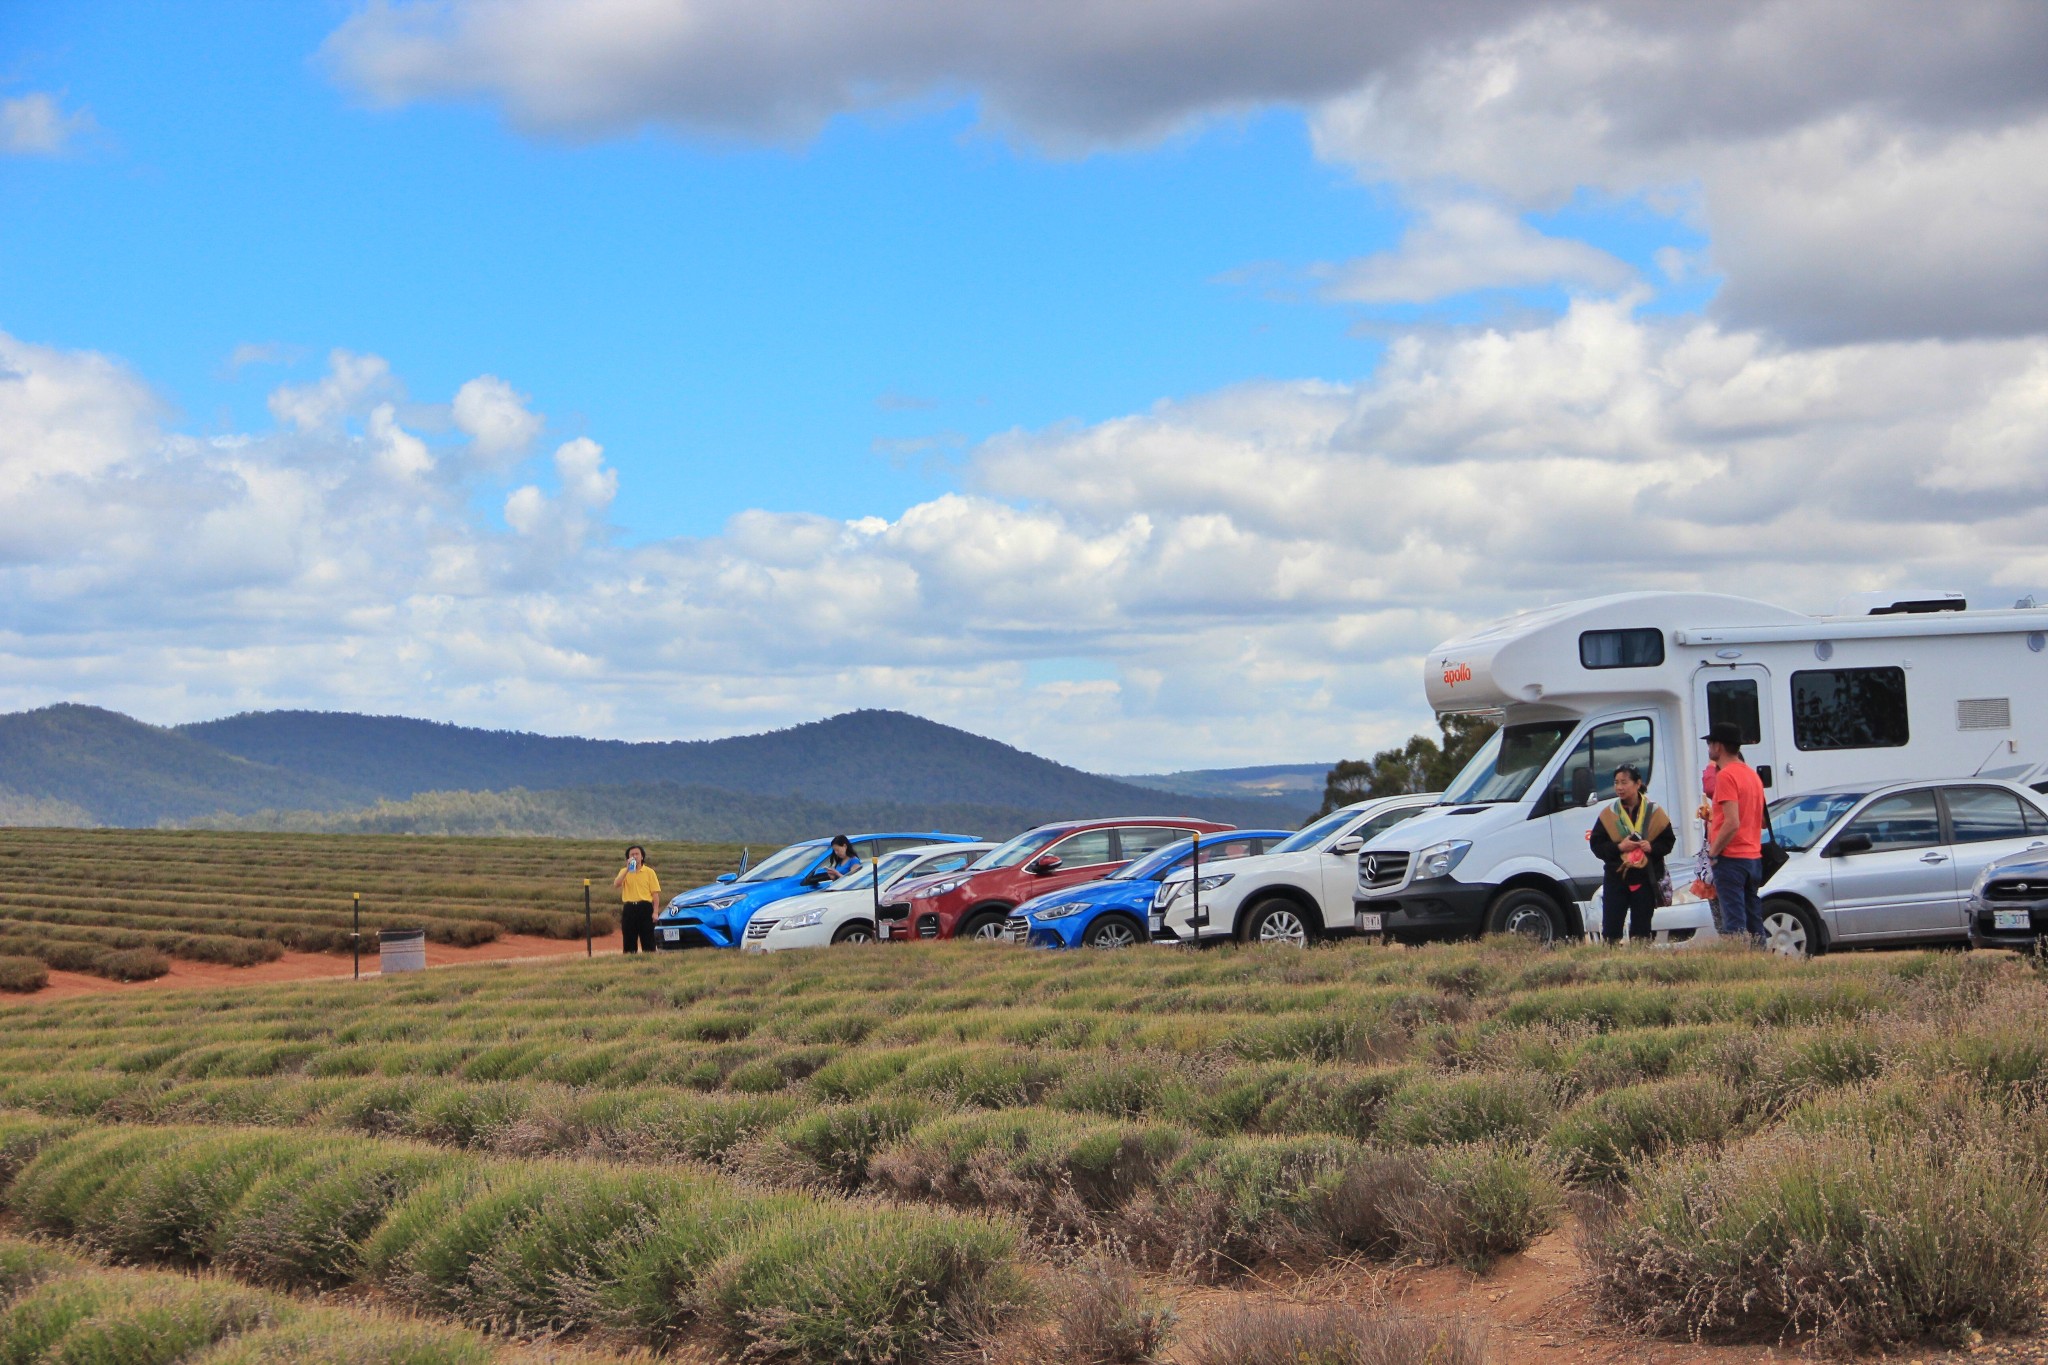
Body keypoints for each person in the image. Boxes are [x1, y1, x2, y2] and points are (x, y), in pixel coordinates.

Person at [1588, 763, 1674, 943]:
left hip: (1645, 877)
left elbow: (1668, 841)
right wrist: (1620, 847)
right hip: (1616, 876)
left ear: (1637, 784)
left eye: (1624, 782)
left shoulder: (1654, 812)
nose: (1619, 787)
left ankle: (1639, 962)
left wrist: (1651, 848)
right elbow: (1597, 845)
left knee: (1642, 930)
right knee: (1611, 929)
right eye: (1616, 782)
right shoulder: (1609, 814)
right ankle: (1611, 961)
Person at [1704, 723, 1767, 946]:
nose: (1709, 747)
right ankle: (1760, 961)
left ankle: (1738, 965)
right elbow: (1761, 821)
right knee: (1754, 919)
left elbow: (1731, 823)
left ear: (1719, 746)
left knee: (1734, 924)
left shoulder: (1726, 776)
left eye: (1710, 742)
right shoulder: (1752, 775)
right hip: (1753, 856)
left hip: (1731, 858)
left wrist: (1713, 852)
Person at [612, 844, 661, 954]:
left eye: (637, 854)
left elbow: (655, 894)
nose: (634, 856)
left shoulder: (649, 872)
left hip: (645, 907)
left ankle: (649, 959)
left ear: (642, 856)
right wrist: (627, 870)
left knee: (648, 937)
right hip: (629, 907)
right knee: (629, 938)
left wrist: (655, 912)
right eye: (632, 855)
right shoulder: (624, 871)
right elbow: (616, 884)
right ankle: (630, 961)